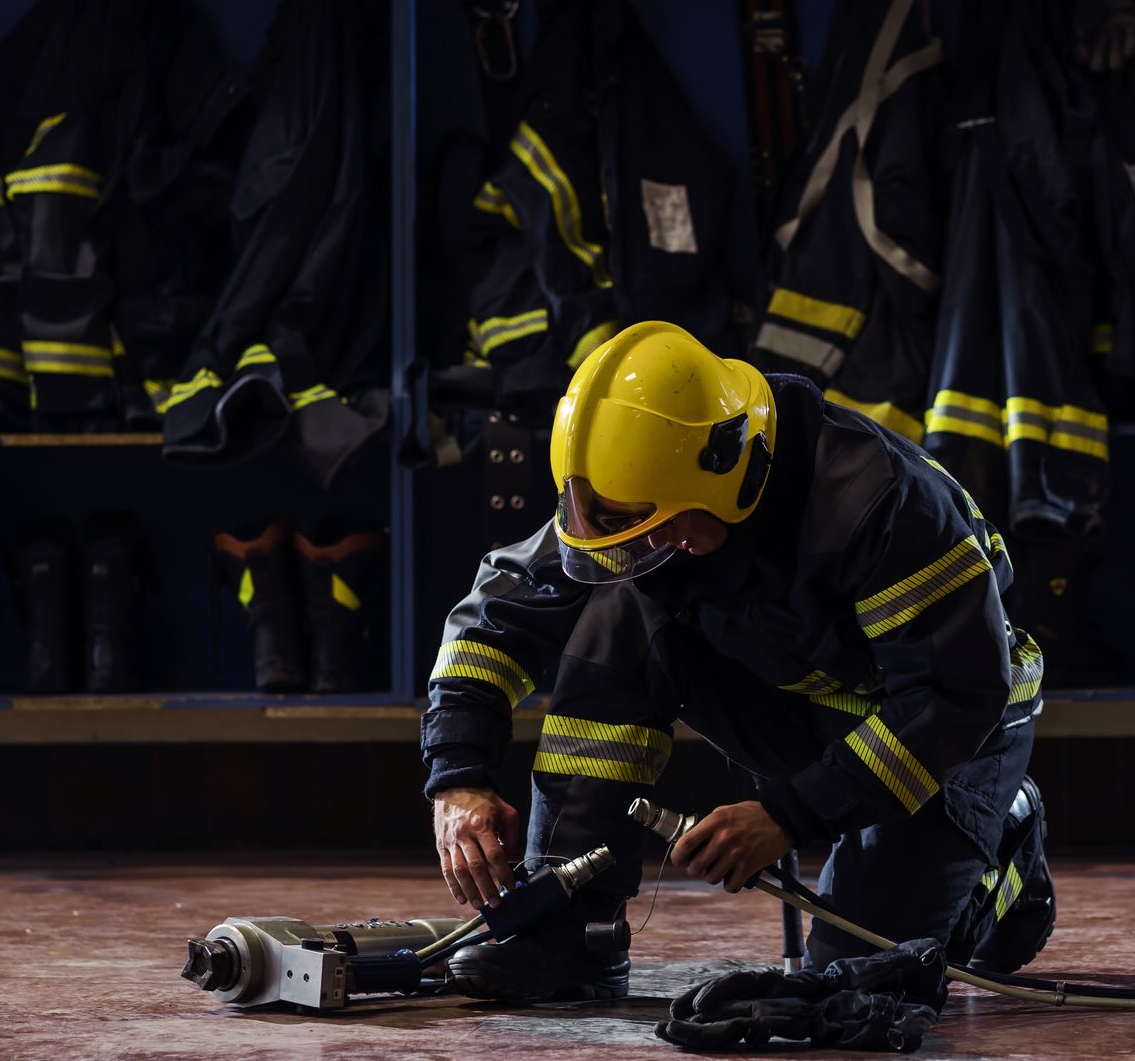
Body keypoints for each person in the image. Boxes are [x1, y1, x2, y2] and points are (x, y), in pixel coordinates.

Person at [421, 320, 1054, 1001]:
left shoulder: (879, 503)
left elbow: (949, 696)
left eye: (653, 524)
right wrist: (457, 778)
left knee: (866, 976)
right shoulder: (636, 493)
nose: (632, 542)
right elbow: (492, 622)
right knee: (619, 607)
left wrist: (787, 815)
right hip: (801, 709)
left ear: (727, 470)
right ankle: (570, 929)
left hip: (942, 740)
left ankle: (1004, 844)